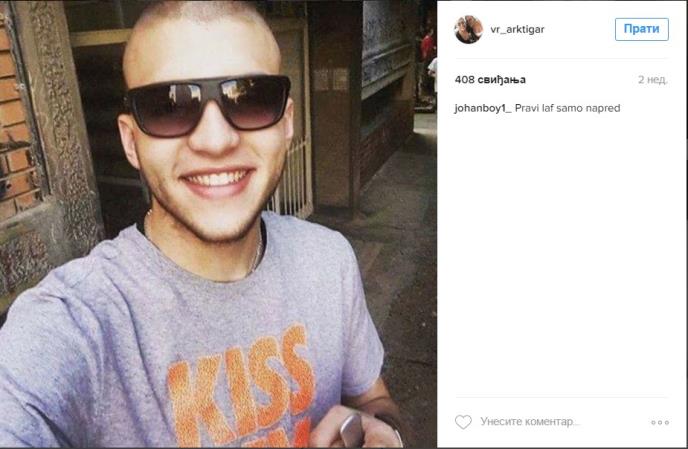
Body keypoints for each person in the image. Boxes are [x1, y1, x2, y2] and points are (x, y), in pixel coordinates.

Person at [0, 2, 407, 447]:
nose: (216, 141)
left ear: (287, 123)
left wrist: (382, 431)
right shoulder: (74, 323)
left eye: (250, 98)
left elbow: (373, 399)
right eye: (169, 106)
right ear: (131, 142)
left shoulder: (328, 261)